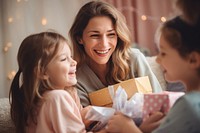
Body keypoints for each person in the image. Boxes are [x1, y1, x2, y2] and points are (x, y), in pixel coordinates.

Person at [105, 5, 200, 133]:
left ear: (193, 60)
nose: (158, 60)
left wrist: (127, 128)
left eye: (164, 53)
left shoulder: (188, 106)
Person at [69, 0, 162, 107]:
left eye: (111, 34)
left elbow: (160, 102)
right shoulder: (76, 78)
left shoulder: (134, 59)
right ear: (79, 38)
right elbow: (86, 121)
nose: (104, 44)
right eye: (95, 35)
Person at [9, 31, 106, 133]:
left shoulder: (38, 100)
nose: (74, 62)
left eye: (71, 57)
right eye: (64, 59)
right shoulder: (58, 97)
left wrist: (80, 116)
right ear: (42, 72)